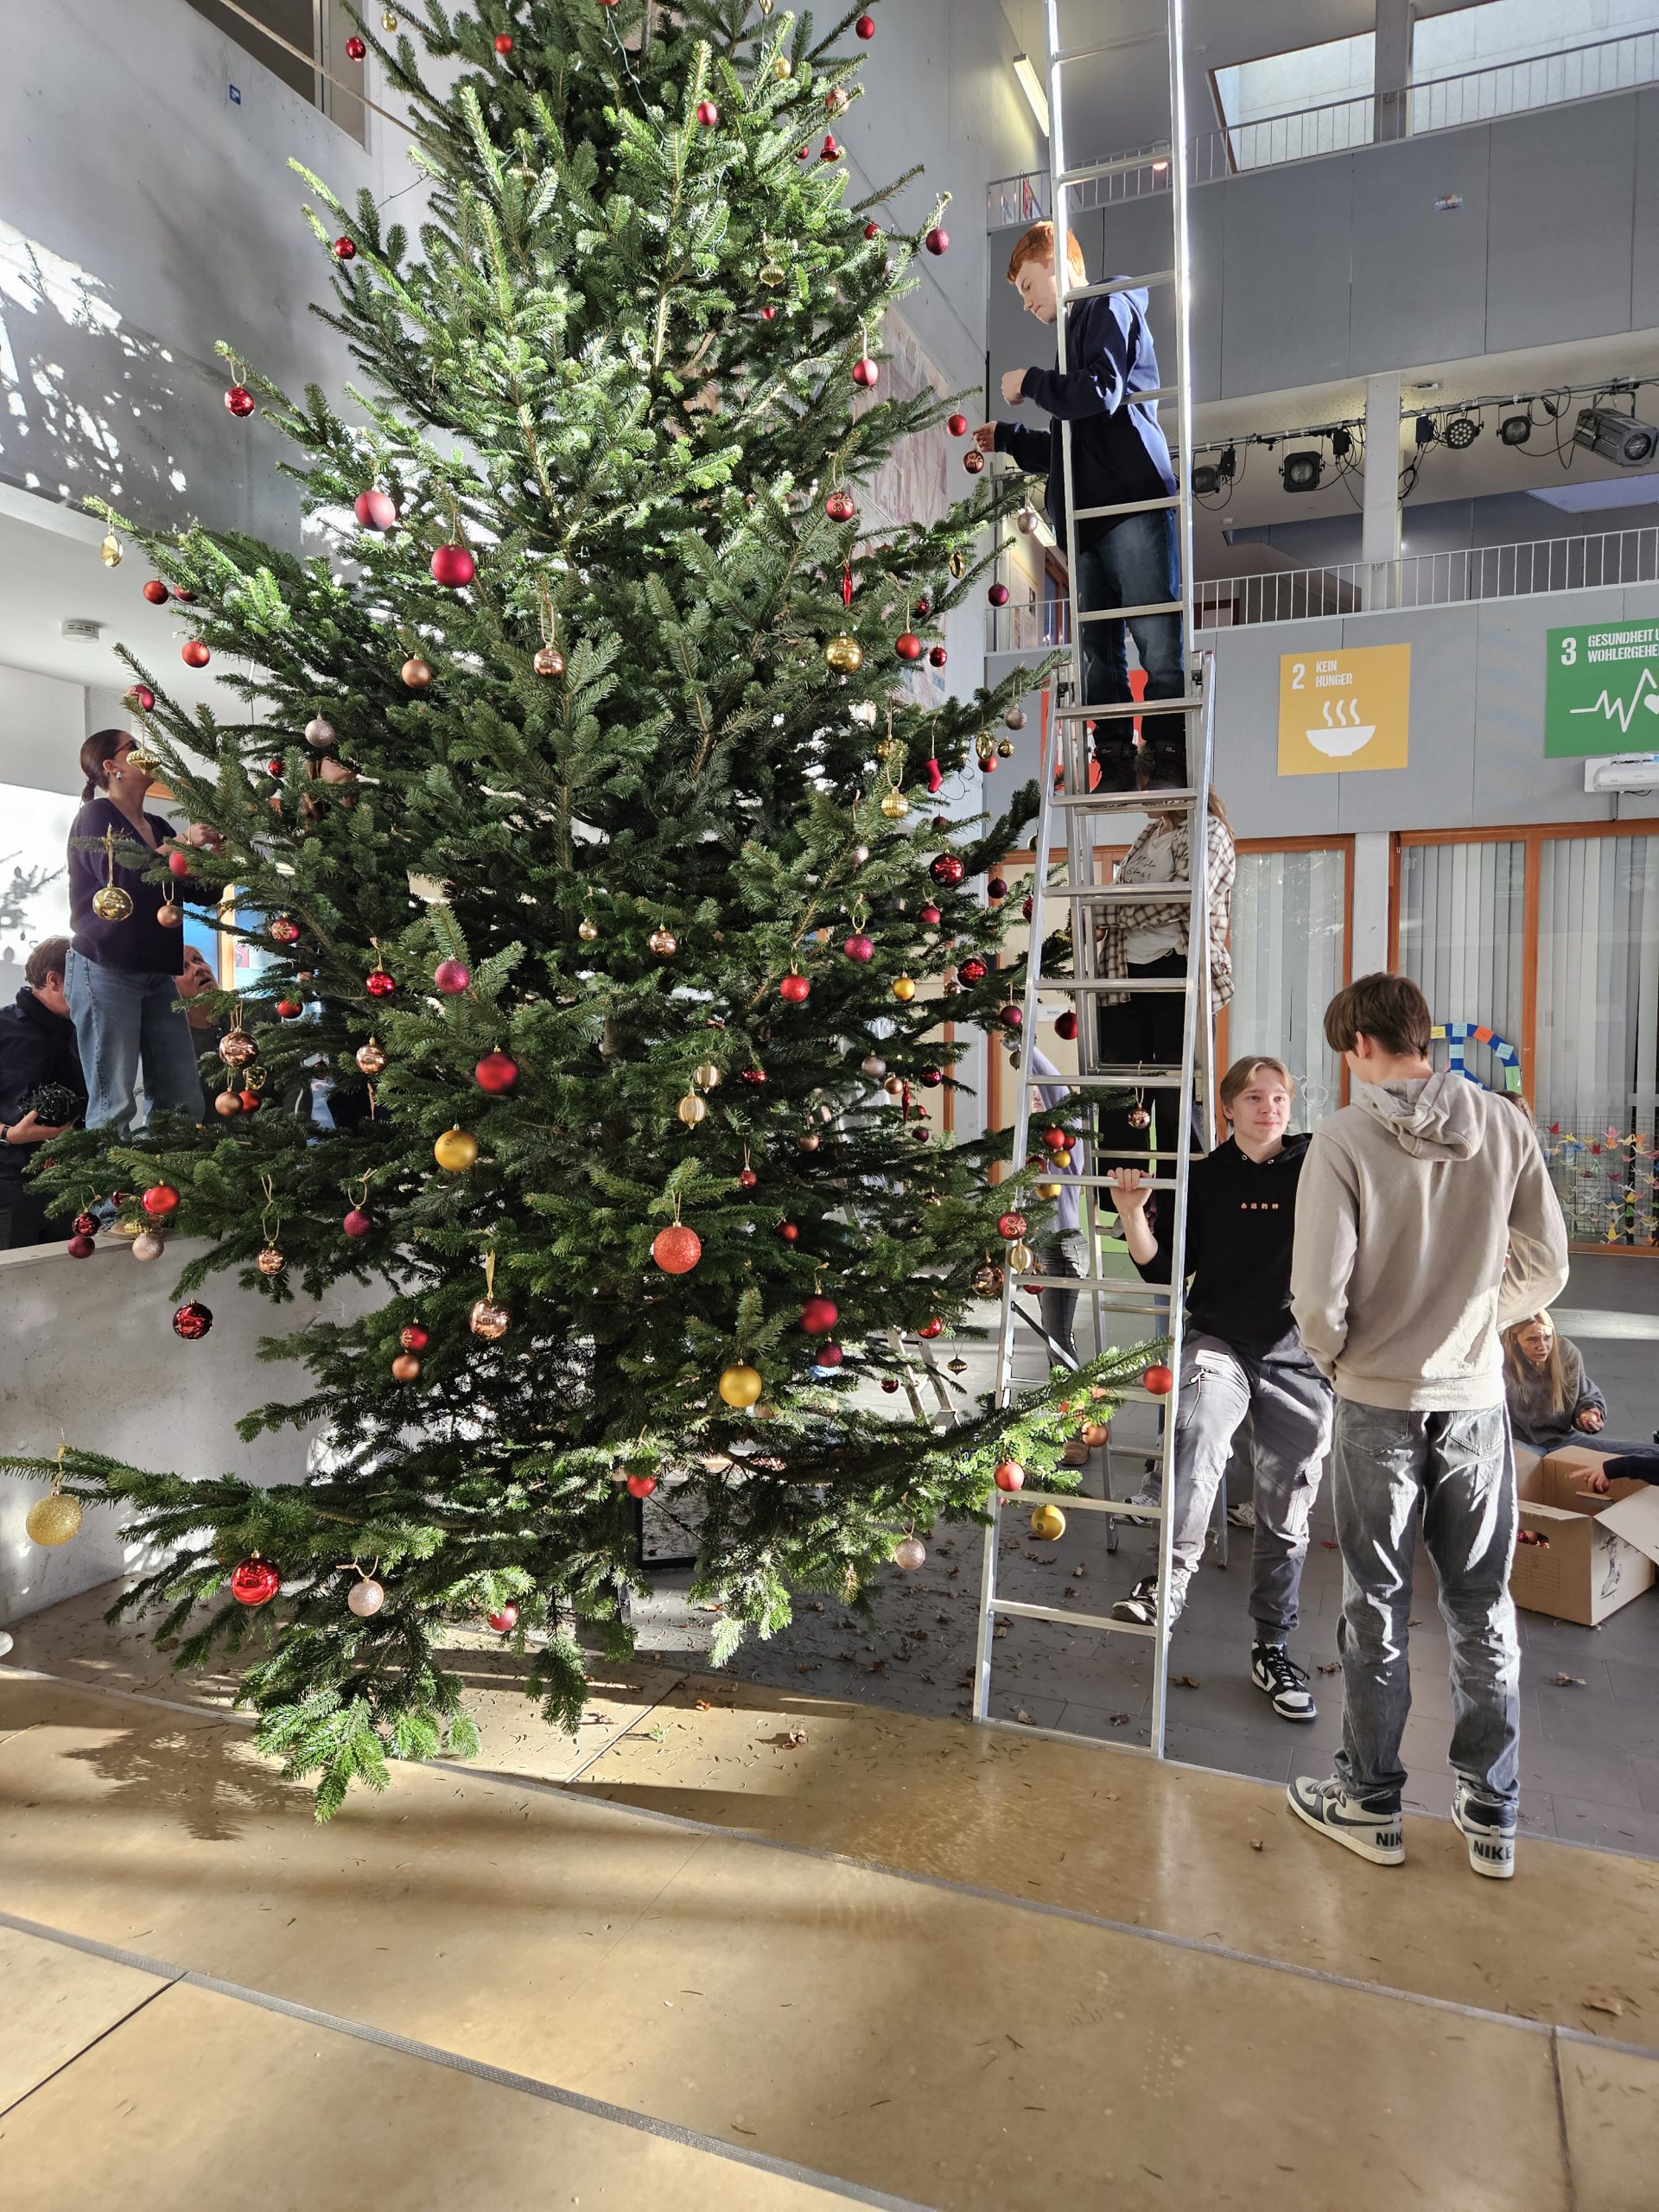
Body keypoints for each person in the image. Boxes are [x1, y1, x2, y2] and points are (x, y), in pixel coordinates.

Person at [1287, 973, 1569, 1882]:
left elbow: (1317, 1294)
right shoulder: (1504, 1125)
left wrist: (1337, 1360)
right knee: (1482, 1601)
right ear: (1422, 1037)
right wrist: (1479, 1322)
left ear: (1362, 1046)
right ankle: (1492, 1811)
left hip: (1378, 1397)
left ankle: (1370, 1801)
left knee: (1375, 1600)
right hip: (1476, 1401)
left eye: (1347, 1053)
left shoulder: (1343, 1138)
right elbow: (1549, 1263)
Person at [1105, 1058, 1332, 1719]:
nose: (1270, 1108)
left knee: (1287, 1510)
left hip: (1299, 1357)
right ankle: (1169, 1583)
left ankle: (1272, 1646)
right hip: (1221, 1344)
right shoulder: (1203, 1177)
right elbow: (1163, 1270)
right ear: (1228, 1108)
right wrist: (1131, 1215)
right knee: (1198, 1431)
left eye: (1280, 1097)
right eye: (1255, 1097)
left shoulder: (1319, 1164)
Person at [975, 219, 1185, 792]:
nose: (1026, 303)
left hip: (1131, 504)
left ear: (1060, 264)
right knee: (1098, 651)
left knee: (1152, 635)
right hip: (1088, 518)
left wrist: (1032, 382)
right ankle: (1115, 759)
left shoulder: (1108, 304)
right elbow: (1073, 444)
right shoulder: (1080, 330)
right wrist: (1011, 438)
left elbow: (1101, 390)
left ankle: (1166, 753)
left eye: (1028, 284)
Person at [66, 730, 218, 1134]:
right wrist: (182, 843)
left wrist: (220, 855)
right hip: (106, 967)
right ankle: (110, 1178)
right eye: (132, 747)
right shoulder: (96, 816)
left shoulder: (158, 826)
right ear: (111, 767)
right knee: (113, 1101)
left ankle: (171, 1171)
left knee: (182, 1097)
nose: (144, 752)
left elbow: (201, 893)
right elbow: (122, 879)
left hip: (158, 971)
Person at [1096, 789, 1234, 1166]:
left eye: (1147, 783)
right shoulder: (1149, 835)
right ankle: (1126, 1195)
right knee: (1122, 1096)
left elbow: (1183, 898)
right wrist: (1105, 914)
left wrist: (1107, 914)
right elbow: (1126, 896)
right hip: (1124, 972)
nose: (1142, 794)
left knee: (1181, 1098)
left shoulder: (1208, 831)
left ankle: (1186, 1198)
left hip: (1179, 970)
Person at [0, 936, 87, 1249]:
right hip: (10, 1185)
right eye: (86, 981)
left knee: (66, 1275)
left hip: (71, 1183)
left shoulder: (85, 1033)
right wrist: (9, 1135)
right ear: (54, 980)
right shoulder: (3, 1028)